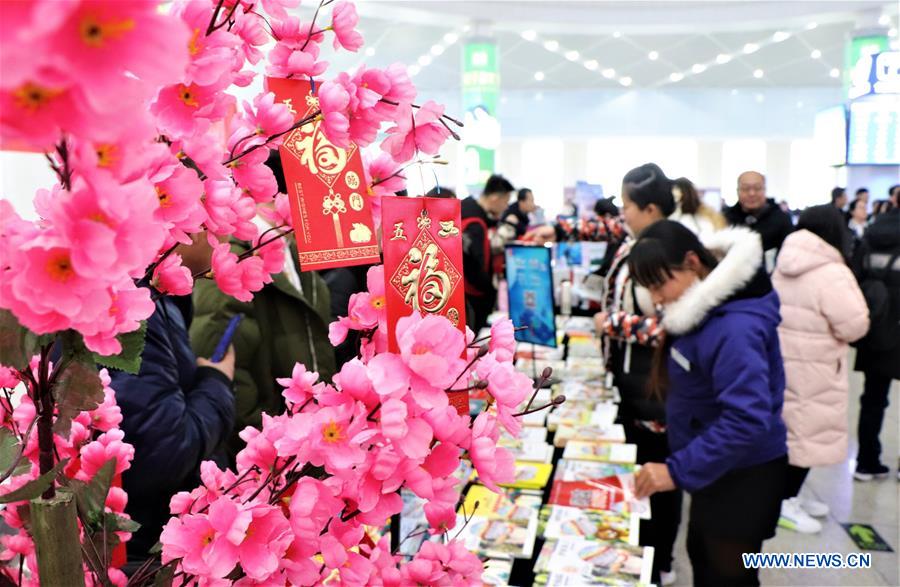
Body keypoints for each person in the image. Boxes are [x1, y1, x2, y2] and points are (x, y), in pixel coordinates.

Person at [630, 220, 787, 587]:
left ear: (692, 261)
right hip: (715, 467)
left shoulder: (734, 327)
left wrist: (677, 469)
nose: (656, 298)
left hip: (744, 473)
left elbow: (747, 419)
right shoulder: (703, 312)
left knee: (726, 575)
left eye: (659, 283)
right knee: (703, 557)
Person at [111, 230, 236, 568]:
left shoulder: (159, 299)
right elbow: (162, 452)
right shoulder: (132, 301)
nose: (227, 231)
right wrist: (217, 382)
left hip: (156, 546)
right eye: (212, 218)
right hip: (143, 555)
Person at [592, 163, 680, 586]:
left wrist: (611, 324)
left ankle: (659, 560)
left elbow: (672, 324)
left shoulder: (666, 251)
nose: (621, 213)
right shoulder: (639, 240)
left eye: (626, 205)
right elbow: (604, 229)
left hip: (657, 388)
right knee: (644, 469)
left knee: (659, 473)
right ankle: (646, 552)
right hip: (634, 381)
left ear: (648, 208)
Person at [772, 205, 869, 533]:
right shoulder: (831, 270)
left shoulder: (784, 262)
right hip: (817, 366)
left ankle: (789, 495)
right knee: (808, 434)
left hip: (785, 360)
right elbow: (854, 325)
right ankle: (784, 501)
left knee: (793, 431)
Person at [852, 186, 900, 481]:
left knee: (872, 399)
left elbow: (854, 277)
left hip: (878, 328)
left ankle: (866, 462)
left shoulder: (873, 230)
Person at [461, 174, 514, 331]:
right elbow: (475, 267)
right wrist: (489, 292)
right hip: (472, 298)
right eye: (506, 201)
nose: (506, 207)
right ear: (495, 198)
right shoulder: (475, 223)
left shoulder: (468, 209)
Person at [724, 171, 793, 272]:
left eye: (757, 188)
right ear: (737, 191)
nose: (752, 193)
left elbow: (789, 253)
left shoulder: (781, 218)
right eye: (745, 189)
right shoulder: (725, 218)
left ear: (765, 190)